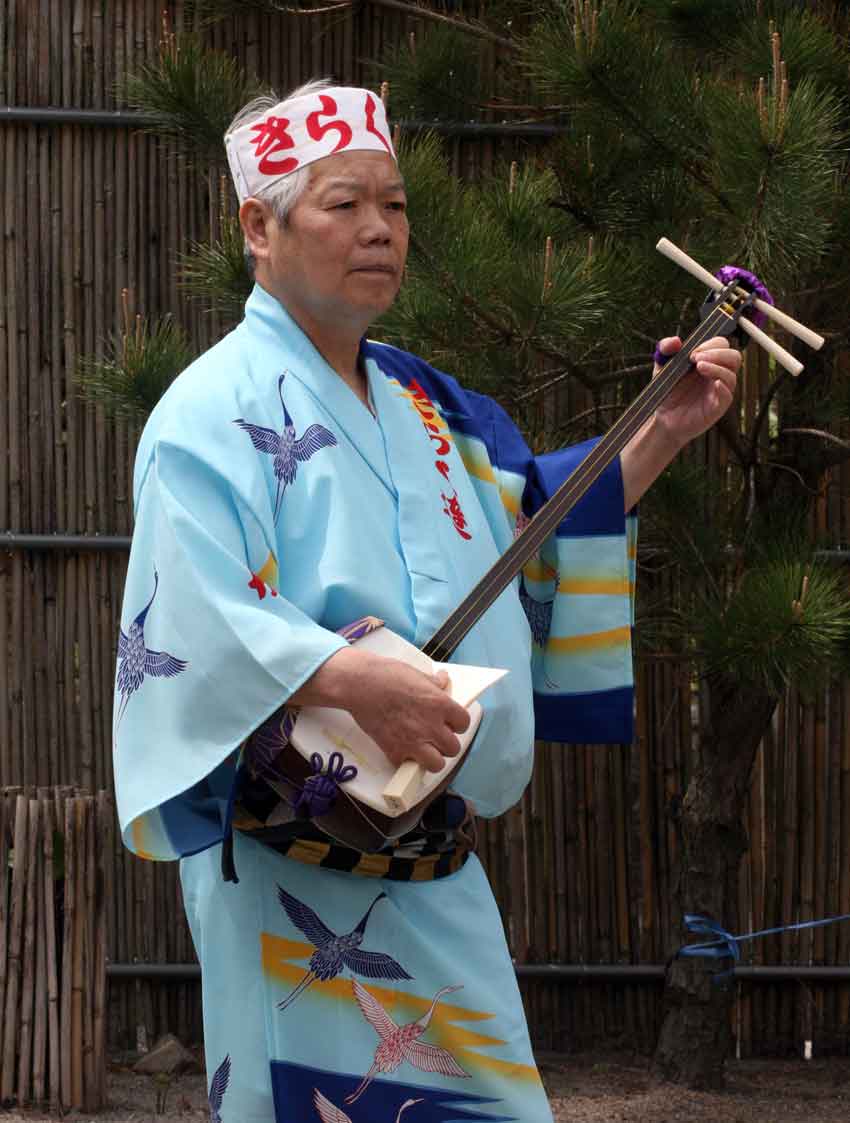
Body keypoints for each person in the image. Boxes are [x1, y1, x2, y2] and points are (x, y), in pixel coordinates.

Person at [113, 79, 740, 1122]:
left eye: (394, 205)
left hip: (433, 865)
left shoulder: (425, 403)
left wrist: (660, 431)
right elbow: (198, 612)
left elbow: (528, 532)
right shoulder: (207, 409)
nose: (378, 229)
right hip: (292, 861)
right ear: (255, 228)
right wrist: (346, 673)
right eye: (343, 203)